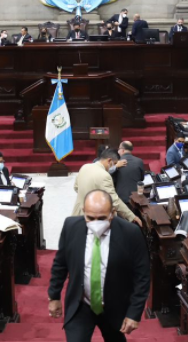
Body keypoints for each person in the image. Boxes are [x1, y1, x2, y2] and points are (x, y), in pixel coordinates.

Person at [48, 190, 150, 342]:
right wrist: (54, 296)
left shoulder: (131, 233)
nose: (96, 223)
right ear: (83, 212)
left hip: (114, 306)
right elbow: (60, 264)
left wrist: (134, 313)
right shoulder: (71, 226)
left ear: (112, 213)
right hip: (81, 304)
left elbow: (142, 276)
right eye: (90, 218)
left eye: (102, 218)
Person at [71, 148, 141, 227]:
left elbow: (76, 187)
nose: (114, 166)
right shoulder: (105, 175)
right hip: (94, 218)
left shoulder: (85, 167)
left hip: (77, 214)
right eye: (114, 163)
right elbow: (115, 201)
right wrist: (132, 216)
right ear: (109, 161)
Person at [112, 142, 145, 209]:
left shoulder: (116, 163)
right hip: (135, 198)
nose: (118, 151)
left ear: (122, 150)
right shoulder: (139, 161)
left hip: (121, 198)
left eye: (119, 149)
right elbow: (142, 178)